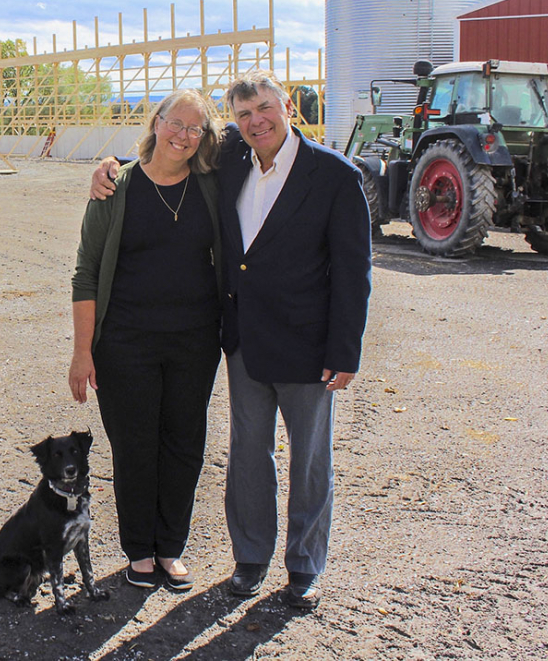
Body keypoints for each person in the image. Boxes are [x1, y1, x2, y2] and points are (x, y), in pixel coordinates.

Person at [91, 70, 372, 610]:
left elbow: (353, 269)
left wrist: (346, 348)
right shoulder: (233, 160)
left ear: (286, 106)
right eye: (243, 115)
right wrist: (114, 168)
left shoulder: (334, 175)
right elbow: (167, 159)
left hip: (309, 347)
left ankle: (304, 567)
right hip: (243, 340)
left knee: (310, 460)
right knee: (248, 454)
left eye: (264, 109)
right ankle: (251, 559)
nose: (255, 121)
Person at [69, 89, 225, 591]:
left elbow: (264, 137)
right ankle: (139, 550)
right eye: (175, 123)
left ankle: (170, 548)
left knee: (184, 444)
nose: (182, 136)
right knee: (135, 446)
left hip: (194, 343)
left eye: (194, 129)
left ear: (204, 137)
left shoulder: (211, 185)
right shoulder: (115, 187)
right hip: (125, 344)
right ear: (156, 123)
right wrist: (81, 350)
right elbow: (86, 273)